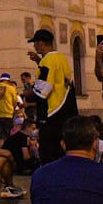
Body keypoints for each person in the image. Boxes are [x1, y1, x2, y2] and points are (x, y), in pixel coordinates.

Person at [28, 28, 75, 163]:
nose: (34, 46)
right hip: (65, 112)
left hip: (51, 114)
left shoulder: (47, 61)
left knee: (49, 156)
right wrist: (38, 61)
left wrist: (27, 93)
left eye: (35, 43)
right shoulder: (61, 58)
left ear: (41, 43)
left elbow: (44, 88)